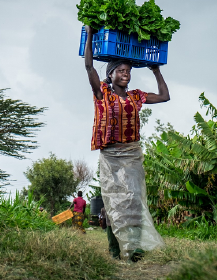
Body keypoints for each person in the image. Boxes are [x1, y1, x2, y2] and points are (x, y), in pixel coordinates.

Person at [84, 25, 168, 261]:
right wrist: (90, 33)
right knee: (112, 202)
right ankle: (114, 249)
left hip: (131, 154)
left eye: (128, 71)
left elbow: (164, 97)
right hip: (110, 155)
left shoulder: (135, 96)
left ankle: (134, 250)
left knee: (133, 200)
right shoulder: (102, 94)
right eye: (121, 70)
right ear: (110, 74)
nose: (126, 74)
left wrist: (156, 70)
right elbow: (89, 65)